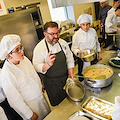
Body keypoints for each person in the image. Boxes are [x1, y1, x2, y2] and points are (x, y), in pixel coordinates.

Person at [0, 34, 50, 120]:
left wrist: (39, 86)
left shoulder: (23, 59)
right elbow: (14, 100)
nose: (22, 52)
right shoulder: (7, 73)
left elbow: (33, 74)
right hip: (30, 106)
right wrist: (29, 114)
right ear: (8, 55)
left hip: (41, 98)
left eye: (20, 47)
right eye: (17, 50)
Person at [32, 21, 74, 106]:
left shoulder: (62, 43)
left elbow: (69, 58)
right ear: (45, 34)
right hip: (51, 83)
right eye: (52, 34)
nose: (55, 36)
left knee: (69, 100)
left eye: (57, 33)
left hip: (65, 78)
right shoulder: (39, 48)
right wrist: (48, 64)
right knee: (59, 106)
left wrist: (71, 73)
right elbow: (36, 66)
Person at [71, 14, 102, 81]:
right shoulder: (76, 35)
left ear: (90, 24)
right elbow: (74, 48)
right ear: (80, 24)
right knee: (83, 75)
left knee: (94, 73)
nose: (85, 27)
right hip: (82, 59)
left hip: (93, 57)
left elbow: (97, 43)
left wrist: (99, 54)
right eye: (83, 24)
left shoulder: (93, 31)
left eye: (87, 24)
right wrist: (78, 52)